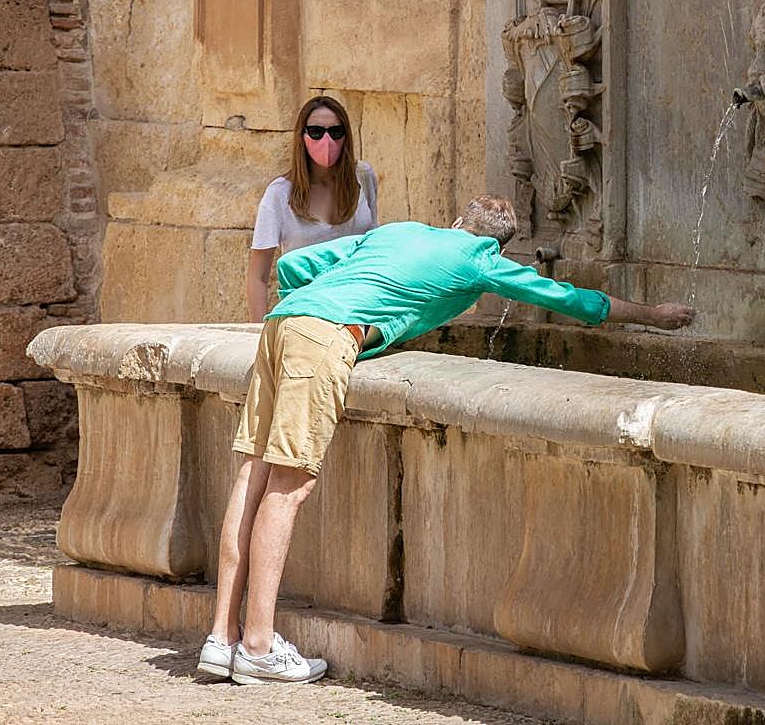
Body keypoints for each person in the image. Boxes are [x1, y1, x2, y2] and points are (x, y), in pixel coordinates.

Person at [198, 195, 695, 684]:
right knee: (289, 486)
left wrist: (320, 304)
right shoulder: (481, 260)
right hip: (326, 336)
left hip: (283, 324)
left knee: (253, 472)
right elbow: (567, 298)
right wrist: (652, 314)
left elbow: (294, 265)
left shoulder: (400, 231)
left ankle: (222, 638)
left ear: (456, 221)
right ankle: (258, 645)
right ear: (498, 248)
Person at [246, 95, 379, 323]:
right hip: (304, 314)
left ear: (346, 136)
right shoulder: (280, 194)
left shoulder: (363, 177)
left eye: (336, 132)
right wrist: (258, 332)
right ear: (302, 135)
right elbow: (258, 276)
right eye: (316, 132)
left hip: (357, 311)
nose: (327, 140)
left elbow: (372, 247)